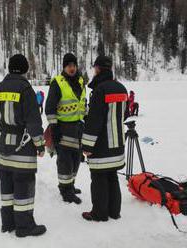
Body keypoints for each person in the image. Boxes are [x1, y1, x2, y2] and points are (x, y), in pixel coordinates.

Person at [0, 54, 46, 238]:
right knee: (24, 188)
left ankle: (8, 223)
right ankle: (24, 227)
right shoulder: (25, 89)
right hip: (23, 150)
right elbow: (33, 121)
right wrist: (40, 145)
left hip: (4, 149)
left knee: (6, 188)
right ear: (24, 69)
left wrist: (2, 135)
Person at [81, 55, 128, 222]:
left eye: (95, 68)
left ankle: (99, 213)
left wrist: (87, 146)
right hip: (118, 143)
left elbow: (94, 122)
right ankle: (114, 212)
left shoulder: (100, 90)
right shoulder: (122, 88)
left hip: (102, 145)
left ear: (98, 69)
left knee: (99, 177)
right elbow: (125, 114)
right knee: (112, 176)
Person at [45, 53, 87, 205]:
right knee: (65, 161)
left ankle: (70, 185)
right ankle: (65, 190)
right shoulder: (58, 82)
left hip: (77, 128)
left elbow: (82, 104)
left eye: (74, 65)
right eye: (69, 65)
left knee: (76, 160)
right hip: (62, 129)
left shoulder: (81, 82)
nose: (72, 68)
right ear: (64, 67)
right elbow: (49, 107)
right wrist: (54, 127)